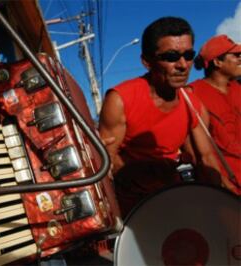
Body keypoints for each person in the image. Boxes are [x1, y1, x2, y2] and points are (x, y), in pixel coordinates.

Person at [98, 16, 226, 218]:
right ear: (147, 62)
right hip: (132, 208)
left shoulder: (192, 103)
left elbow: (205, 159)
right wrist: (141, 169)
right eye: (171, 57)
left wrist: (221, 205)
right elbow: (105, 163)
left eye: (189, 55)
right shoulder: (121, 99)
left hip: (171, 198)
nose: (183, 65)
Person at [188, 35, 241, 194]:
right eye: (236, 55)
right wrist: (222, 185)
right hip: (225, 186)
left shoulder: (238, 89)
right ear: (217, 62)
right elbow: (195, 152)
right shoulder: (192, 93)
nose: (240, 58)